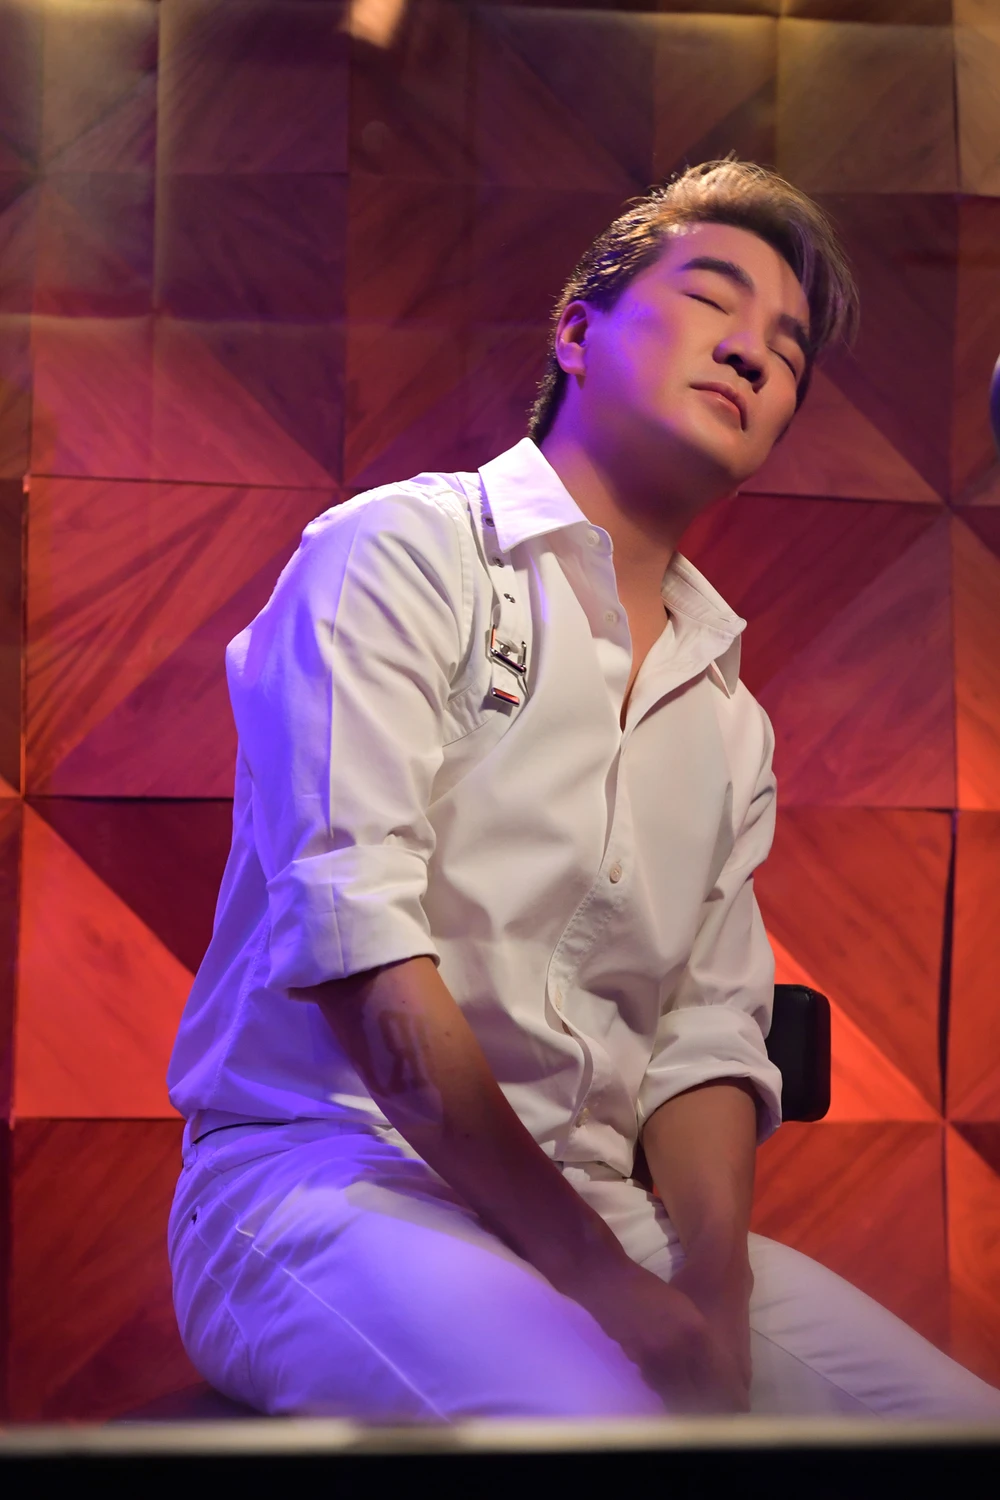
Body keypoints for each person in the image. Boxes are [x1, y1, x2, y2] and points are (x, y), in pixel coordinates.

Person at [166, 160, 1000, 1421]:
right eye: (711, 297)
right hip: (328, 1177)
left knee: (953, 1435)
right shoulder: (401, 551)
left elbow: (704, 1034)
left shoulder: (729, 716)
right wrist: (603, 1288)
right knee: (602, 1437)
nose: (755, 351)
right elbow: (359, 945)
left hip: (604, 1206)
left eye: (788, 350)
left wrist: (710, 1291)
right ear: (575, 331)